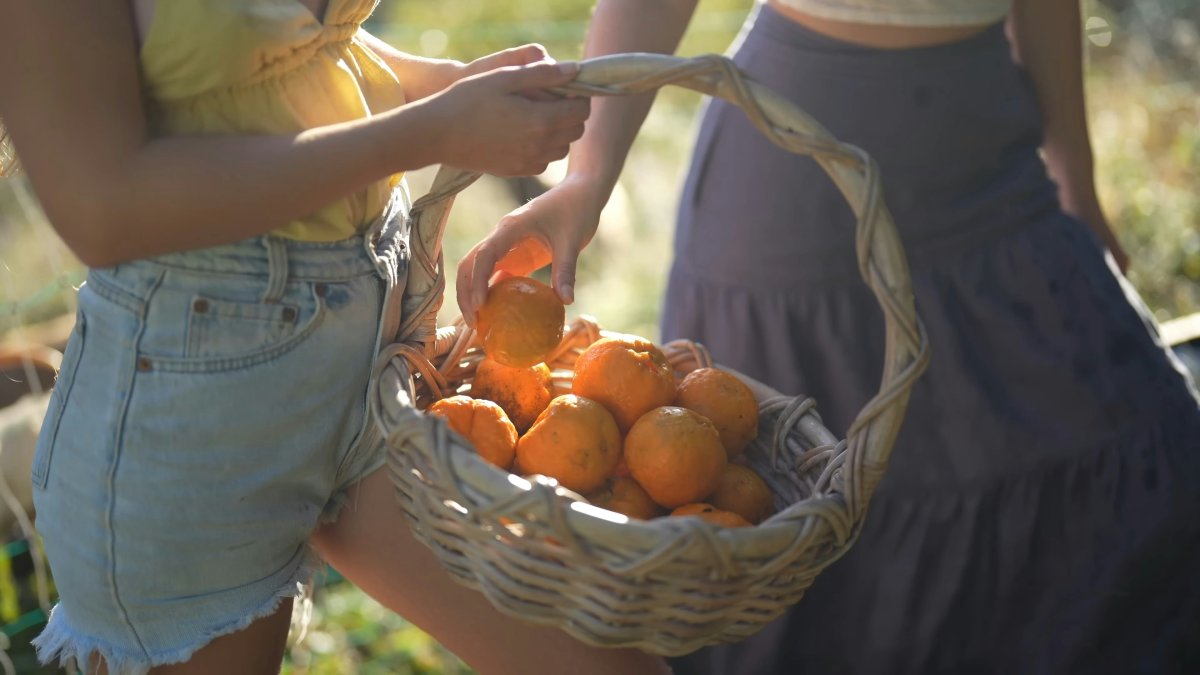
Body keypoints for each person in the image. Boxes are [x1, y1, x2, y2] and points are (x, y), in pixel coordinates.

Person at [457, 0, 1200, 673]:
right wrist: (589, 174)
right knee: (806, 525)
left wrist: (1075, 170)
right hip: (797, 180)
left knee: (1140, 484)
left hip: (991, 161)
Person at [0, 1, 675, 674]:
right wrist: (431, 130)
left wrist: (449, 84)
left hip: (375, 369)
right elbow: (103, 206)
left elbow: (292, 51)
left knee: (608, 666)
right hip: (192, 420)